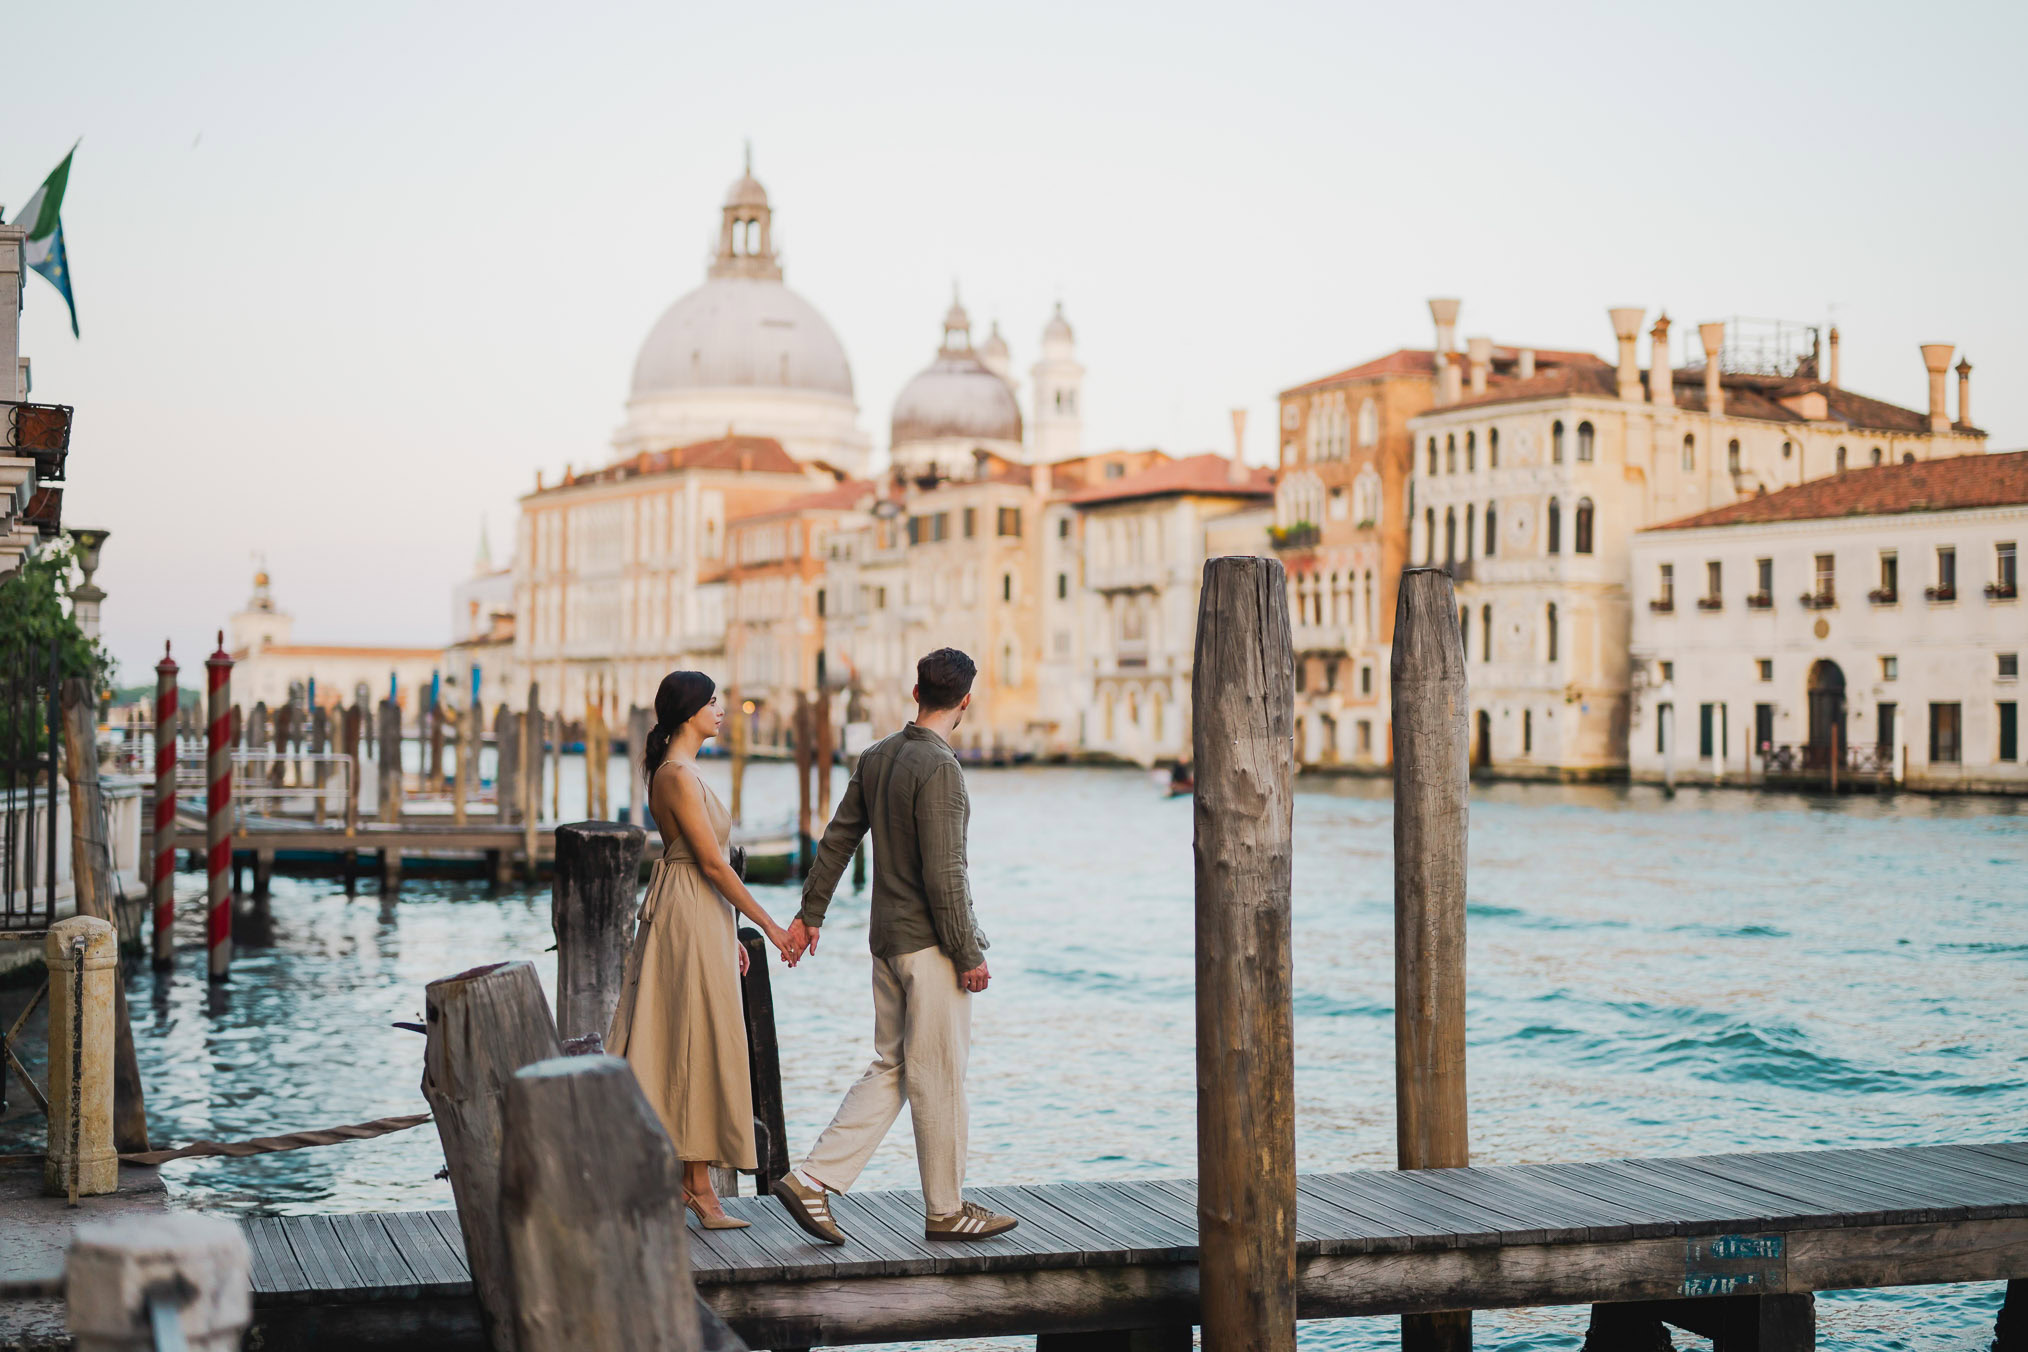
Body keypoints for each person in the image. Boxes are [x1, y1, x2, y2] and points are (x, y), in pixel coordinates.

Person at [770, 648, 1018, 1243]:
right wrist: (969, 954)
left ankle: (813, 1178)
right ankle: (946, 1211)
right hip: (930, 948)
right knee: (939, 1075)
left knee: (897, 1066)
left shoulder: (877, 756)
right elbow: (946, 876)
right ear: (964, 701)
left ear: (915, 693)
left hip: (885, 944)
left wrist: (810, 915)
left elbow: (837, 839)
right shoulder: (941, 769)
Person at [608, 670, 791, 1230]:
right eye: (713, 702)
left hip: (703, 912)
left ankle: (695, 1182)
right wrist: (772, 927)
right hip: (686, 913)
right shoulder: (675, 776)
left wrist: (730, 929)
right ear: (690, 711)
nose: (722, 710)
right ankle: (695, 1185)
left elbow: (710, 868)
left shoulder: (687, 772)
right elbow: (711, 864)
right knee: (688, 1038)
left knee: (707, 1038)